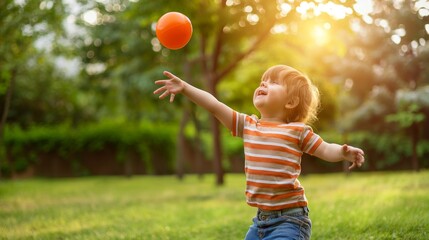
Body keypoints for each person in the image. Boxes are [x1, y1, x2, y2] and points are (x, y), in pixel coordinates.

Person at [153, 65, 365, 240]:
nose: (264, 83)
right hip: (260, 221)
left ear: (290, 102)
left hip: (290, 220)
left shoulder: (297, 132)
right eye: (263, 80)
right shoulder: (248, 125)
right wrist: (185, 88)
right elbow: (215, 106)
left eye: (274, 82)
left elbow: (326, 149)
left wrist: (343, 152)